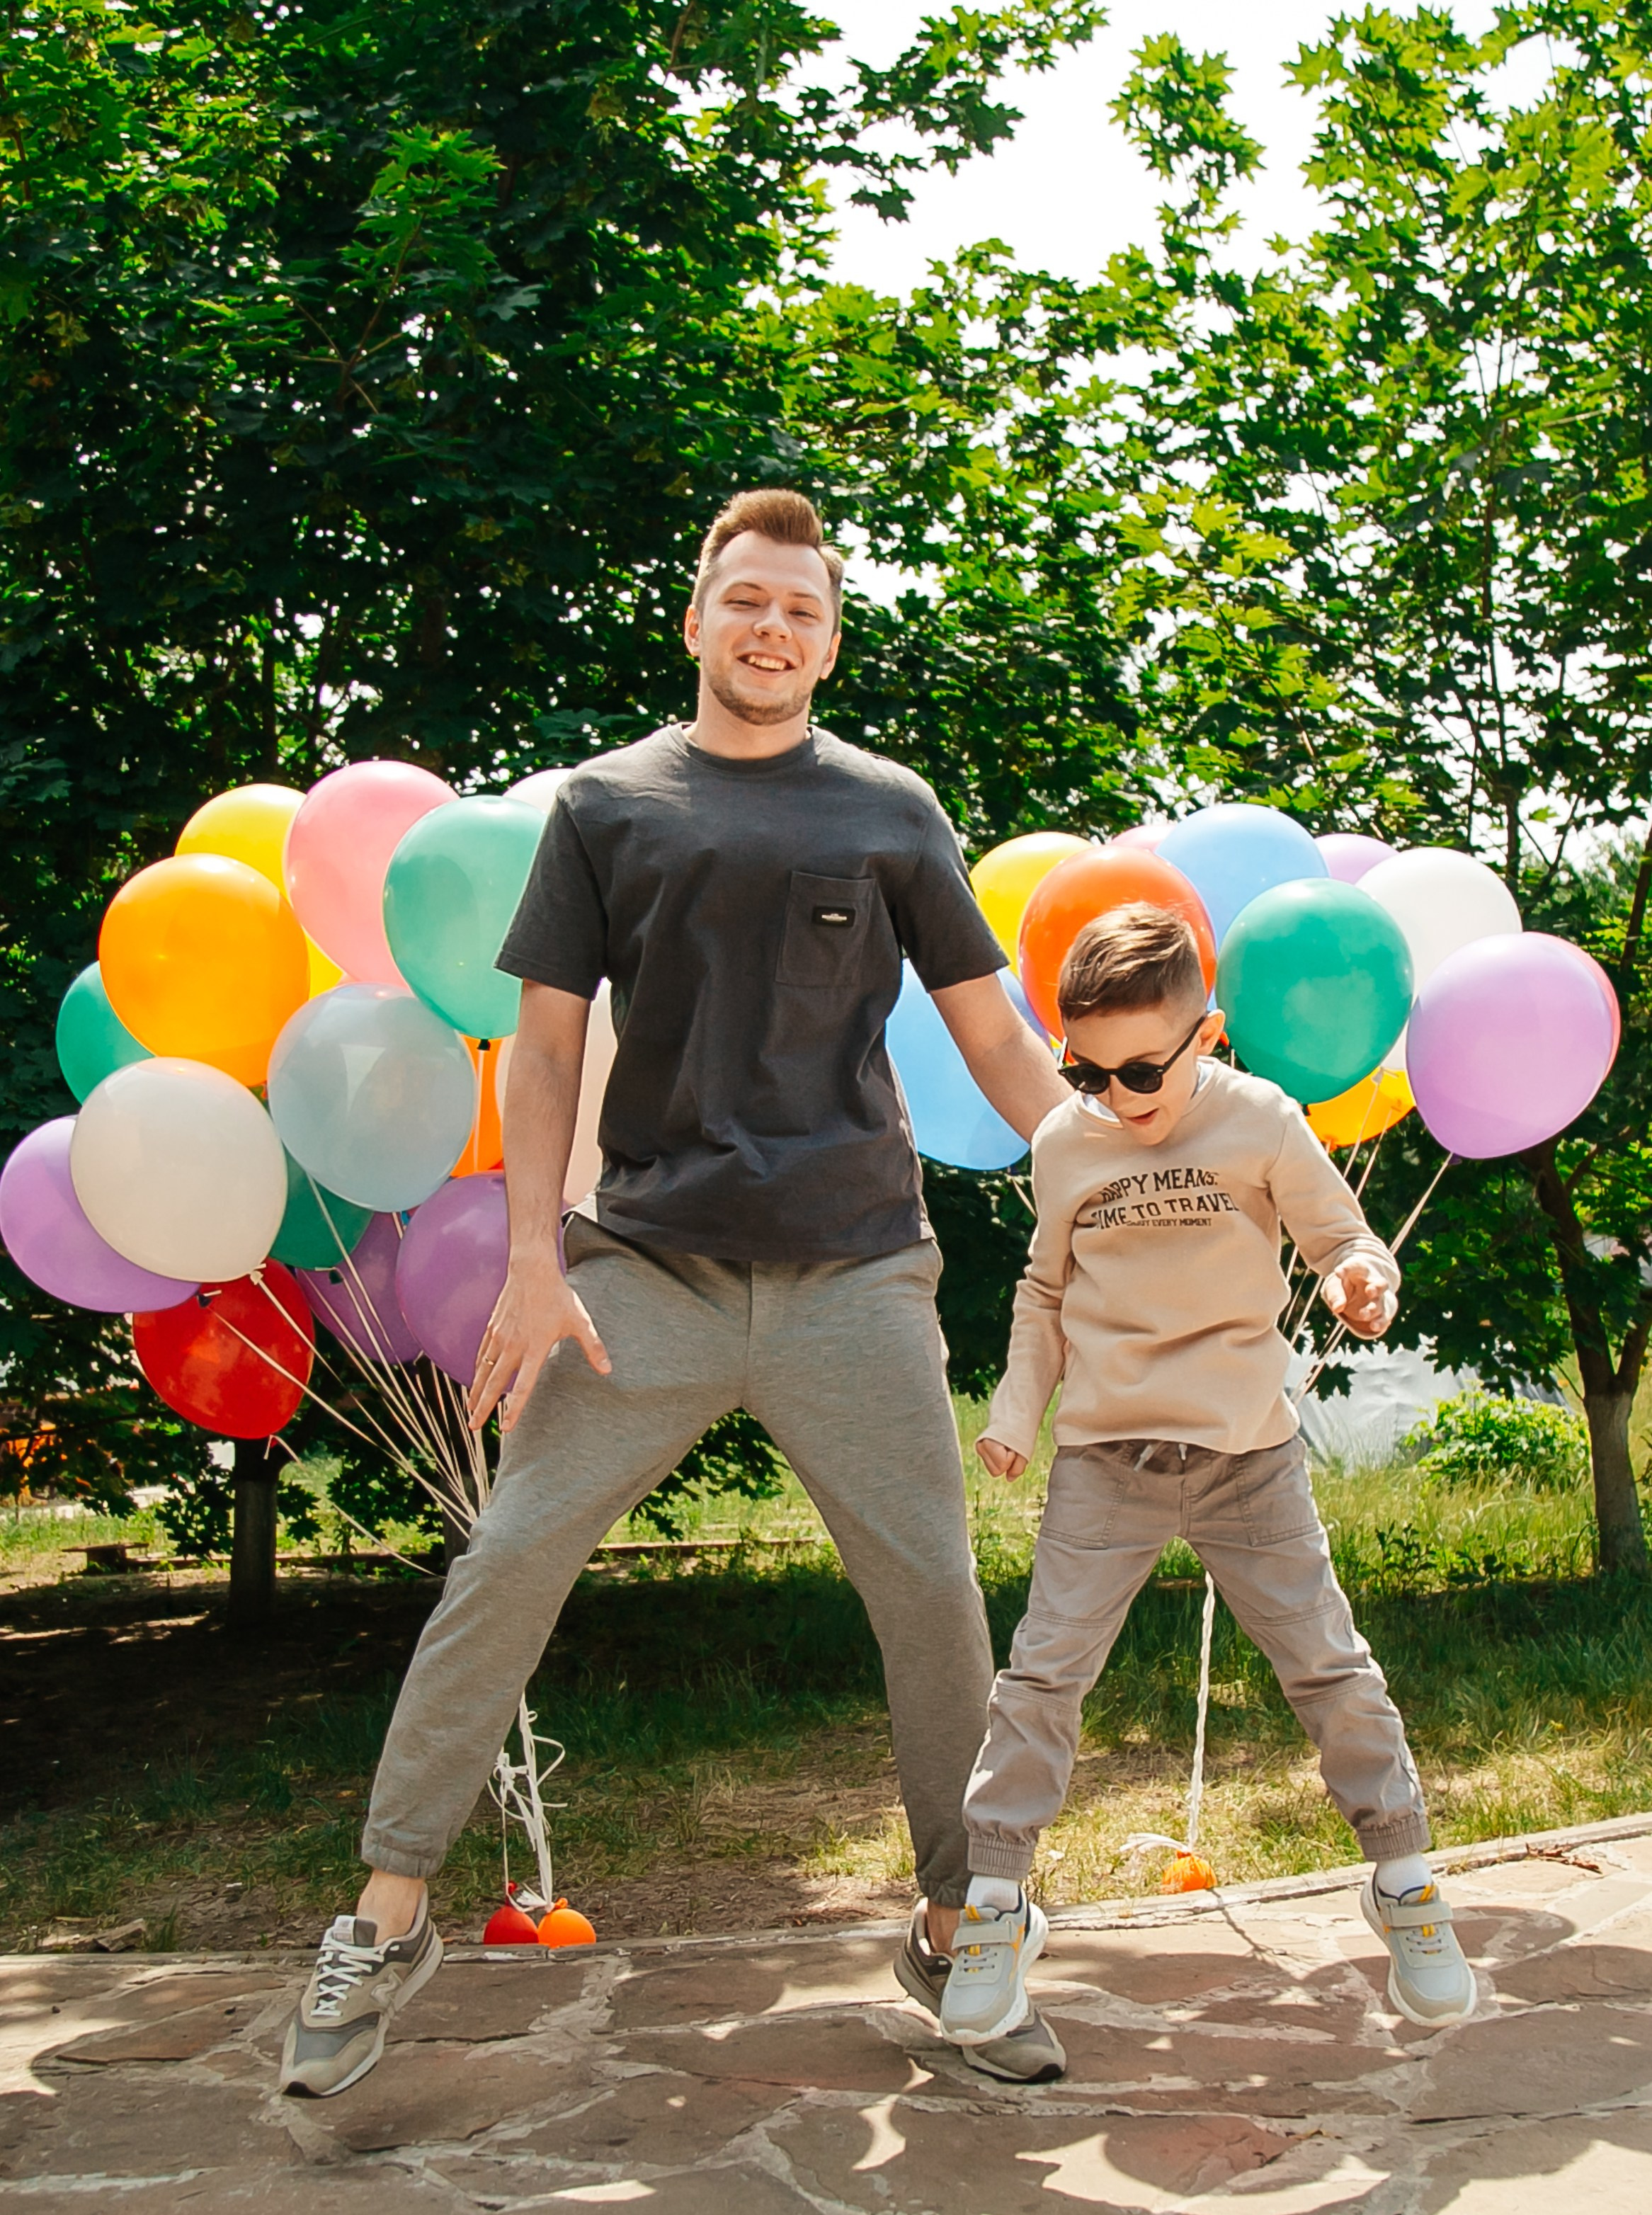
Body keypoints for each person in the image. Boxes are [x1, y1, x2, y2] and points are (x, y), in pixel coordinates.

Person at [280, 486, 1070, 2100]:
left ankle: (955, 1924)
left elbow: (990, 1031)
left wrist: (1107, 1166)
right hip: (643, 1269)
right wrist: (527, 1257)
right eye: (749, 600)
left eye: (804, 608)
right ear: (699, 615)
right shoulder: (605, 806)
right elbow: (553, 1043)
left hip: (856, 1268)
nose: (774, 628)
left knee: (931, 1592)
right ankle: (386, 1912)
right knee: (509, 1559)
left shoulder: (891, 809)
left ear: (829, 638)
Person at [939, 902, 1477, 2059]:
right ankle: (994, 1908)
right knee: (1038, 1682)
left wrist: (1356, 1281)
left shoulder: (1259, 1121)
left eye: (1142, 1067)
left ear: (1208, 1035)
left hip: (1247, 1456)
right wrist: (1014, 1414)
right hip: (1104, 1461)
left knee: (1327, 1667)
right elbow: (1042, 1297)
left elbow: (1341, 1238)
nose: (1117, 1095)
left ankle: (1404, 1880)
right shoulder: (1068, 1141)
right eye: (1087, 1068)